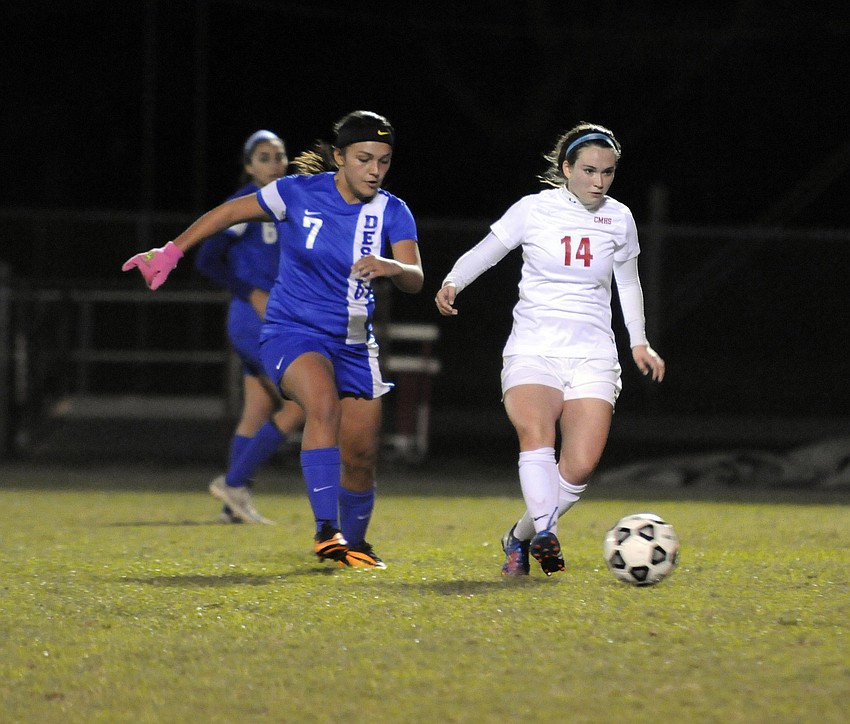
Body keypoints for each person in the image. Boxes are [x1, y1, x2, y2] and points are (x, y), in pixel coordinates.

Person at [124, 110, 423, 569]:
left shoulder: (393, 209)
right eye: (364, 159)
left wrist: (394, 267)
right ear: (340, 157)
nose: (375, 170)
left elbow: (416, 277)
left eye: (383, 161)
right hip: (292, 330)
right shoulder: (296, 192)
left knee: (361, 455)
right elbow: (228, 212)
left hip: (355, 343)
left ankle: (356, 547)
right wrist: (171, 250)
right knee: (320, 405)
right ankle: (327, 531)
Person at [435, 122, 665, 577]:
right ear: (566, 169)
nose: (599, 182)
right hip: (533, 347)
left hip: (594, 354)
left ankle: (520, 537)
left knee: (578, 468)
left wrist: (638, 341)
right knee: (536, 436)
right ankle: (545, 532)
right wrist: (453, 281)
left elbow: (629, 283)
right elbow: (488, 250)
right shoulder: (533, 209)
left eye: (608, 172)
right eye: (589, 171)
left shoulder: (619, 218)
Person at [194, 129, 305, 524]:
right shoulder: (245, 204)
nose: (274, 164)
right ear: (247, 166)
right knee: (301, 403)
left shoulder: (288, 202)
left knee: (257, 409)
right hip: (253, 319)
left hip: (274, 319)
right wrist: (251, 291)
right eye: (263, 157)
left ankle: (232, 507)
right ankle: (235, 482)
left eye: (278, 155)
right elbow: (206, 260)